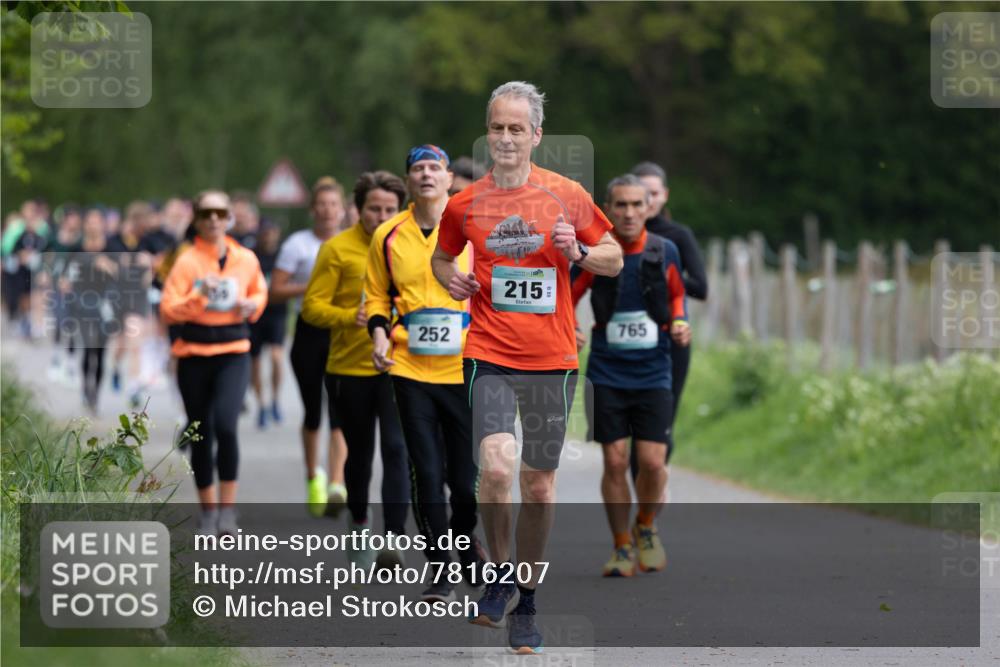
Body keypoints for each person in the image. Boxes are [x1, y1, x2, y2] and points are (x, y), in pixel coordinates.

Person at [431, 80, 622, 654]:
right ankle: (495, 574)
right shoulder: (465, 203)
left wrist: (580, 253)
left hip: (553, 358)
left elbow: (612, 258)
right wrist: (453, 279)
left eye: (517, 128)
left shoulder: (566, 195)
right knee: (494, 466)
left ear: (536, 135)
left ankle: (527, 598)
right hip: (488, 350)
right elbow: (441, 258)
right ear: (486, 132)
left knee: (538, 486)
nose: (507, 138)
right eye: (497, 127)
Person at [366, 145, 486, 602]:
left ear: (450, 177)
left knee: (465, 478)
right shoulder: (388, 235)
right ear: (409, 180)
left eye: (434, 167)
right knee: (426, 471)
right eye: (417, 168)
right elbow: (376, 298)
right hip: (410, 369)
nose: (426, 175)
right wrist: (379, 337)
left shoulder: (474, 229)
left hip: (465, 367)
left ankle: (467, 544)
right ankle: (439, 565)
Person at [571, 174, 691, 577]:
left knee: (653, 462)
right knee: (615, 460)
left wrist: (679, 322)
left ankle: (645, 527)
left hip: (654, 368)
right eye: (619, 205)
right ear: (608, 208)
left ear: (648, 208)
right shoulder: (596, 251)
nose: (628, 212)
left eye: (636, 204)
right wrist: (569, 326)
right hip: (606, 369)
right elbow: (568, 295)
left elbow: (677, 295)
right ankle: (622, 547)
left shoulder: (664, 249)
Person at [302, 171, 411, 568]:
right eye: (373, 209)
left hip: (399, 364)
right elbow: (312, 307)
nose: (381, 216)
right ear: (357, 209)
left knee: (398, 448)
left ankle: (395, 537)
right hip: (349, 367)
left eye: (389, 209)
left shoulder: (409, 245)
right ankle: (361, 523)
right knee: (361, 453)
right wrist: (352, 316)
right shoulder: (336, 249)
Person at [160, 190, 267, 536]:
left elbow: (259, 290)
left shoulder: (245, 258)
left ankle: (227, 511)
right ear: (197, 219)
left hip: (234, 352)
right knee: (201, 431)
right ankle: (207, 511)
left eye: (220, 213)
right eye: (207, 214)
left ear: (229, 218)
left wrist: (254, 304)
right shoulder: (186, 261)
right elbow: (168, 309)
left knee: (226, 426)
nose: (214, 220)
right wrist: (199, 295)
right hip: (193, 354)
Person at [271, 177, 350, 517]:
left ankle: (336, 482)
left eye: (334, 204)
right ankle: (312, 476)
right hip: (308, 332)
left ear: (343, 209)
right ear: (312, 209)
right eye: (323, 204)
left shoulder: (353, 243)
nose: (328, 210)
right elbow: (274, 290)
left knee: (340, 411)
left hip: (343, 332)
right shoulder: (297, 244)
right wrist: (312, 287)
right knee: (313, 412)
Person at [629, 161, 708, 474]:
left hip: (669, 339)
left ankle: (649, 498)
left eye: (654, 193)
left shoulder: (677, 236)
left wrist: (661, 277)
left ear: (665, 196)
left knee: (660, 426)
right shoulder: (616, 233)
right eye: (641, 193)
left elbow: (701, 287)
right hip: (623, 342)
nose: (648, 200)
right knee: (630, 427)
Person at [64, 211, 117, 413]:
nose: (93, 226)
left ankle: (96, 394)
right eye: (90, 222)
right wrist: (65, 282)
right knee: (88, 348)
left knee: (101, 352)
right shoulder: (77, 248)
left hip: (106, 304)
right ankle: (86, 389)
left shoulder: (111, 247)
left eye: (97, 222)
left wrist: (108, 266)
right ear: (85, 225)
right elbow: (66, 273)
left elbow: (121, 273)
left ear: (102, 225)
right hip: (83, 303)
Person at [249, 220, 288, 429]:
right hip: (256, 314)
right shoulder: (250, 255)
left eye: (272, 232)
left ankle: (275, 398)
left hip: (277, 313)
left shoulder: (283, 255)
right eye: (265, 233)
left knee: (276, 355)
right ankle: (261, 404)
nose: (268, 237)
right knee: (255, 362)